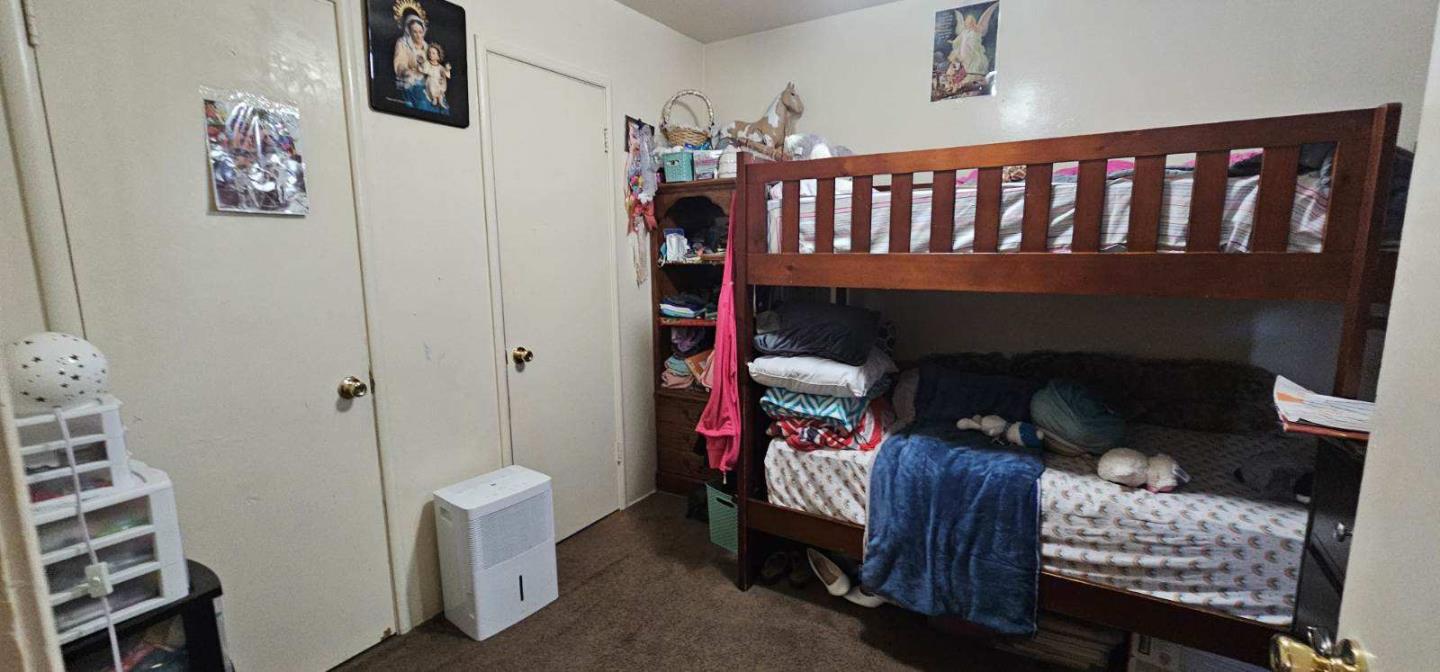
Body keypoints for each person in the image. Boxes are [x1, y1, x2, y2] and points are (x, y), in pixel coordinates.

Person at [392, 12, 431, 110]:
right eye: (415, 32)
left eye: (420, 32)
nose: (418, 35)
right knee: (422, 102)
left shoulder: (427, 47)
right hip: (411, 81)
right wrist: (405, 70)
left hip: (427, 82)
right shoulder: (403, 43)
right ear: (409, 31)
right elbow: (400, 61)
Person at [419, 43, 452, 111]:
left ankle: (440, 99)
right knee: (431, 81)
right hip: (430, 82)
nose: (431, 54)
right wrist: (422, 63)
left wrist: (447, 69)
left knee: (440, 84)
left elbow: (446, 75)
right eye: (430, 52)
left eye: (433, 53)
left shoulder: (440, 67)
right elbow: (425, 70)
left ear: (438, 56)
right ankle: (434, 98)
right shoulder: (427, 63)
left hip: (439, 82)